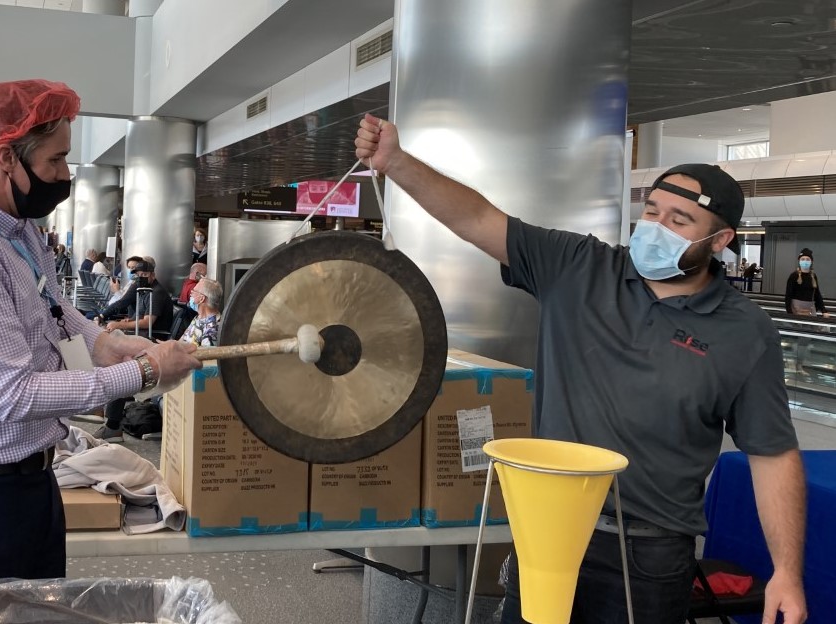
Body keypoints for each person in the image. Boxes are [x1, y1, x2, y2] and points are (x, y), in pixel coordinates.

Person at [355, 114, 807, 624]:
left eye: (679, 222)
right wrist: (395, 162)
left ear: (720, 240)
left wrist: (786, 571)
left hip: (650, 553)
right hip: (549, 530)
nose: (656, 227)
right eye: (652, 211)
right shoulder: (580, 267)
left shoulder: (744, 331)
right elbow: (478, 219)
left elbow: (772, 454)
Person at [0, 78, 202, 590]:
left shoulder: (14, 225)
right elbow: (12, 394)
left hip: (28, 475)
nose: (65, 175)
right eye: (55, 161)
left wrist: (105, 343)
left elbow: (53, 308)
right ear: (4, 158)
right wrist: (142, 372)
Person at [94, 259, 173, 336]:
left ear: (153, 275)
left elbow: (147, 323)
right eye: (138, 275)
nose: (140, 278)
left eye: (144, 274)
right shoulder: (144, 289)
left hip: (151, 336)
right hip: (140, 333)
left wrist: (119, 325)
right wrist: (131, 320)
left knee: (107, 337)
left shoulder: (156, 293)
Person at [785, 248, 828, 317]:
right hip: (796, 310)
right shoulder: (794, 276)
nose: (805, 261)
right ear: (799, 261)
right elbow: (788, 295)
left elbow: (817, 294)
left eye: (808, 259)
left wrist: (824, 311)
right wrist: (789, 313)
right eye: (803, 259)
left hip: (810, 309)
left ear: (811, 261)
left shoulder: (813, 276)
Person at [181, 277, 222, 347]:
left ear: (202, 298)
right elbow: (181, 342)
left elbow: (207, 356)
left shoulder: (212, 329)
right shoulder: (199, 318)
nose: (191, 293)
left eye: (194, 291)